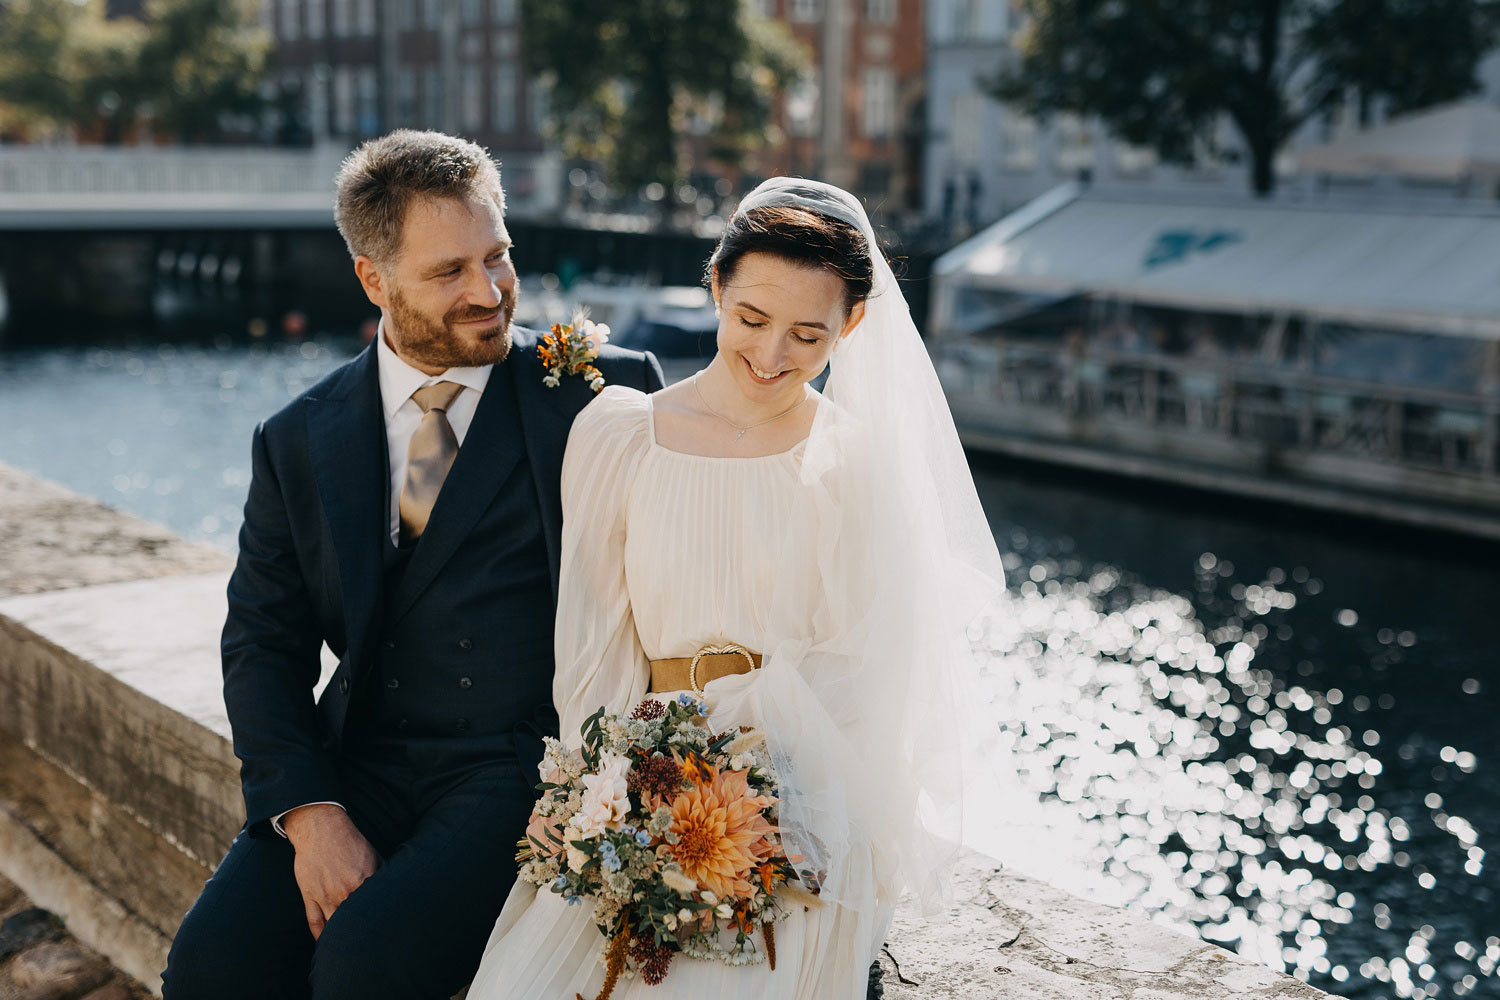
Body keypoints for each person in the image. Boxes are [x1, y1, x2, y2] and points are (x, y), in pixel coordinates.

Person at [466, 177, 1006, 999]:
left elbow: (860, 668)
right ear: (716, 284)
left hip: (798, 797)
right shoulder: (620, 435)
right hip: (643, 782)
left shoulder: (855, 461)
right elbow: (594, 650)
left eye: (808, 335)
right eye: (751, 319)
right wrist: (612, 796)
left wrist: (745, 787)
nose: (770, 355)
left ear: (851, 327)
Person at [160, 129, 664, 1000]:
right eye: (448, 273)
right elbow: (263, 643)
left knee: (366, 968)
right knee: (210, 970)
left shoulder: (597, 396)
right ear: (373, 280)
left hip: (521, 770)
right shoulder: (295, 440)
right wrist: (313, 816)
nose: (489, 291)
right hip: (359, 763)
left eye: (497, 257)